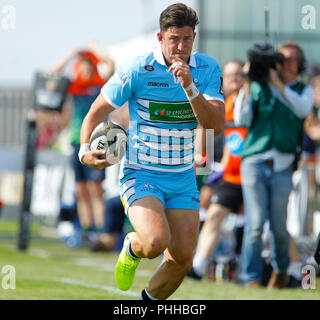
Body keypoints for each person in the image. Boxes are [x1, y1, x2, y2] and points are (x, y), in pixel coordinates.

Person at [78, 3, 225, 300]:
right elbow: (96, 110)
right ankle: (133, 246)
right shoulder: (138, 69)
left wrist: (190, 87)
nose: (180, 47)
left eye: (186, 39)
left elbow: (216, 125)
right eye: (174, 39)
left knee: (182, 259)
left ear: (194, 38)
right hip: (141, 172)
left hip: (183, 177)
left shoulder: (207, 69)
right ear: (160, 38)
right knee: (156, 242)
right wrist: (84, 151)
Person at [234, 41, 314, 289]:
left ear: (299, 65)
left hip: (283, 165)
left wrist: (278, 86)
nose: (284, 64)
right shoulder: (260, 86)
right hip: (254, 163)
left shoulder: (303, 90)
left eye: (290, 60)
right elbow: (241, 118)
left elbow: (302, 110)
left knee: (280, 226)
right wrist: (248, 83)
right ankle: (251, 278)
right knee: (255, 224)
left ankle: (280, 270)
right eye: (281, 59)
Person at [187, 60, 245, 280]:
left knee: (243, 214)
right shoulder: (219, 101)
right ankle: (198, 255)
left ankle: (237, 261)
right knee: (204, 202)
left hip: (239, 168)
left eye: (238, 74)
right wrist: (202, 161)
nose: (234, 78)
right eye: (229, 75)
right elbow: (205, 129)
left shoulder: (246, 103)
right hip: (214, 165)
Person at [51, 43, 115, 236]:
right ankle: (85, 230)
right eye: (83, 66)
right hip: (76, 141)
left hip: (98, 140)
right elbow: (53, 74)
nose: (86, 70)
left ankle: (100, 230)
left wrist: (94, 48)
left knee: (96, 189)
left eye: (90, 66)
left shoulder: (100, 85)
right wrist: (72, 53)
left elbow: (110, 63)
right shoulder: (75, 86)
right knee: (80, 190)